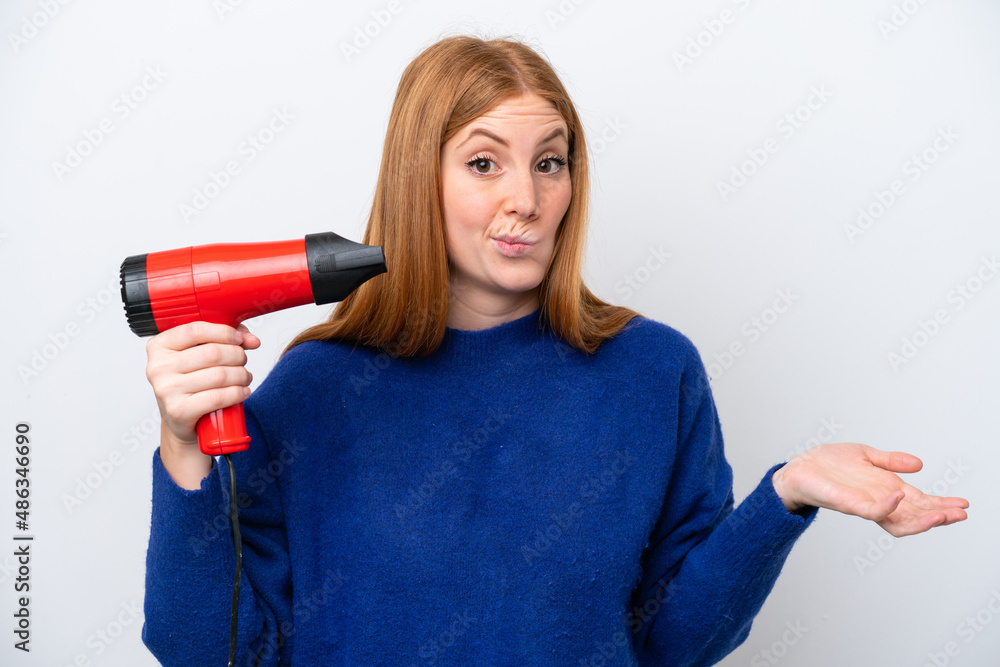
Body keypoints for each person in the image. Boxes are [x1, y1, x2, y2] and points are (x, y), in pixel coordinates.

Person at [139, 34, 969, 667]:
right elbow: (212, 650)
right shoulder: (319, 386)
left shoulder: (652, 371)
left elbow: (673, 644)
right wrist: (183, 451)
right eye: (483, 162)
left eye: (549, 163)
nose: (526, 200)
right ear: (415, 180)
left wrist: (785, 495)